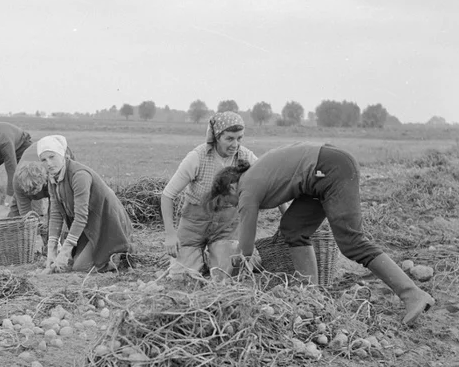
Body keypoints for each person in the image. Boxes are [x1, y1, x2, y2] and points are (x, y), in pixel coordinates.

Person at [210, 142, 435, 326]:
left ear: (230, 188)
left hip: (330, 169)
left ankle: (411, 293)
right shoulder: (255, 177)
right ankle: (311, 295)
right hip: (321, 175)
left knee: (351, 242)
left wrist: (228, 283)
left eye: (225, 202)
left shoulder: (245, 189)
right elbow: (286, 186)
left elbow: (245, 249)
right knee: (293, 228)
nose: (231, 206)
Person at [160, 111, 258, 278]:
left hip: (225, 228)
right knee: (181, 276)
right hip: (193, 225)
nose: (235, 144)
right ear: (217, 137)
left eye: (239, 138)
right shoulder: (197, 158)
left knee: (226, 274)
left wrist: (285, 217)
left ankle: (215, 256)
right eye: (229, 138)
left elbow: (269, 182)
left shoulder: (246, 157)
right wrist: (170, 234)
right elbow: (167, 195)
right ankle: (198, 257)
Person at [36, 136, 133, 273]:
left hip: (107, 223)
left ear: (62, 155)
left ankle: (118, 253)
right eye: (44, 160)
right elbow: (56, 213)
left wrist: (65, 251)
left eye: (52, 157)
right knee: (72, 263)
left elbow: (81, 216)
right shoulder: (53, 178)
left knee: (81, 267)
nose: (49, 163)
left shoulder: (79, 175)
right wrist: (51, 250)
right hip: (89, 226)